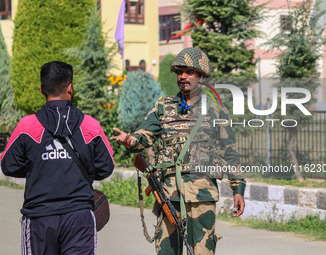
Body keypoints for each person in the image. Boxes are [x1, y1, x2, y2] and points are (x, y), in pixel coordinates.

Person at [111, 47, 245, 255]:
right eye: (179, 72)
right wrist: (130, 140)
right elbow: (144, 135)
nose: (183, 76)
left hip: (202, 195)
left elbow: (230, 152)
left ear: (200, 76)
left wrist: (238, 189)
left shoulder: (215, 109)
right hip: (169, 195)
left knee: (202, 252)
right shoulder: (163, 107)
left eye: (189, 72)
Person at [1, 61, 114, 255]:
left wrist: (38, 167)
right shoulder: (91, 125)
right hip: (80, 218)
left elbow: (8, 165)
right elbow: (106, 167)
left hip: (39, 218)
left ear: (41, 89)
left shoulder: (26, 126)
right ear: (70, 88)